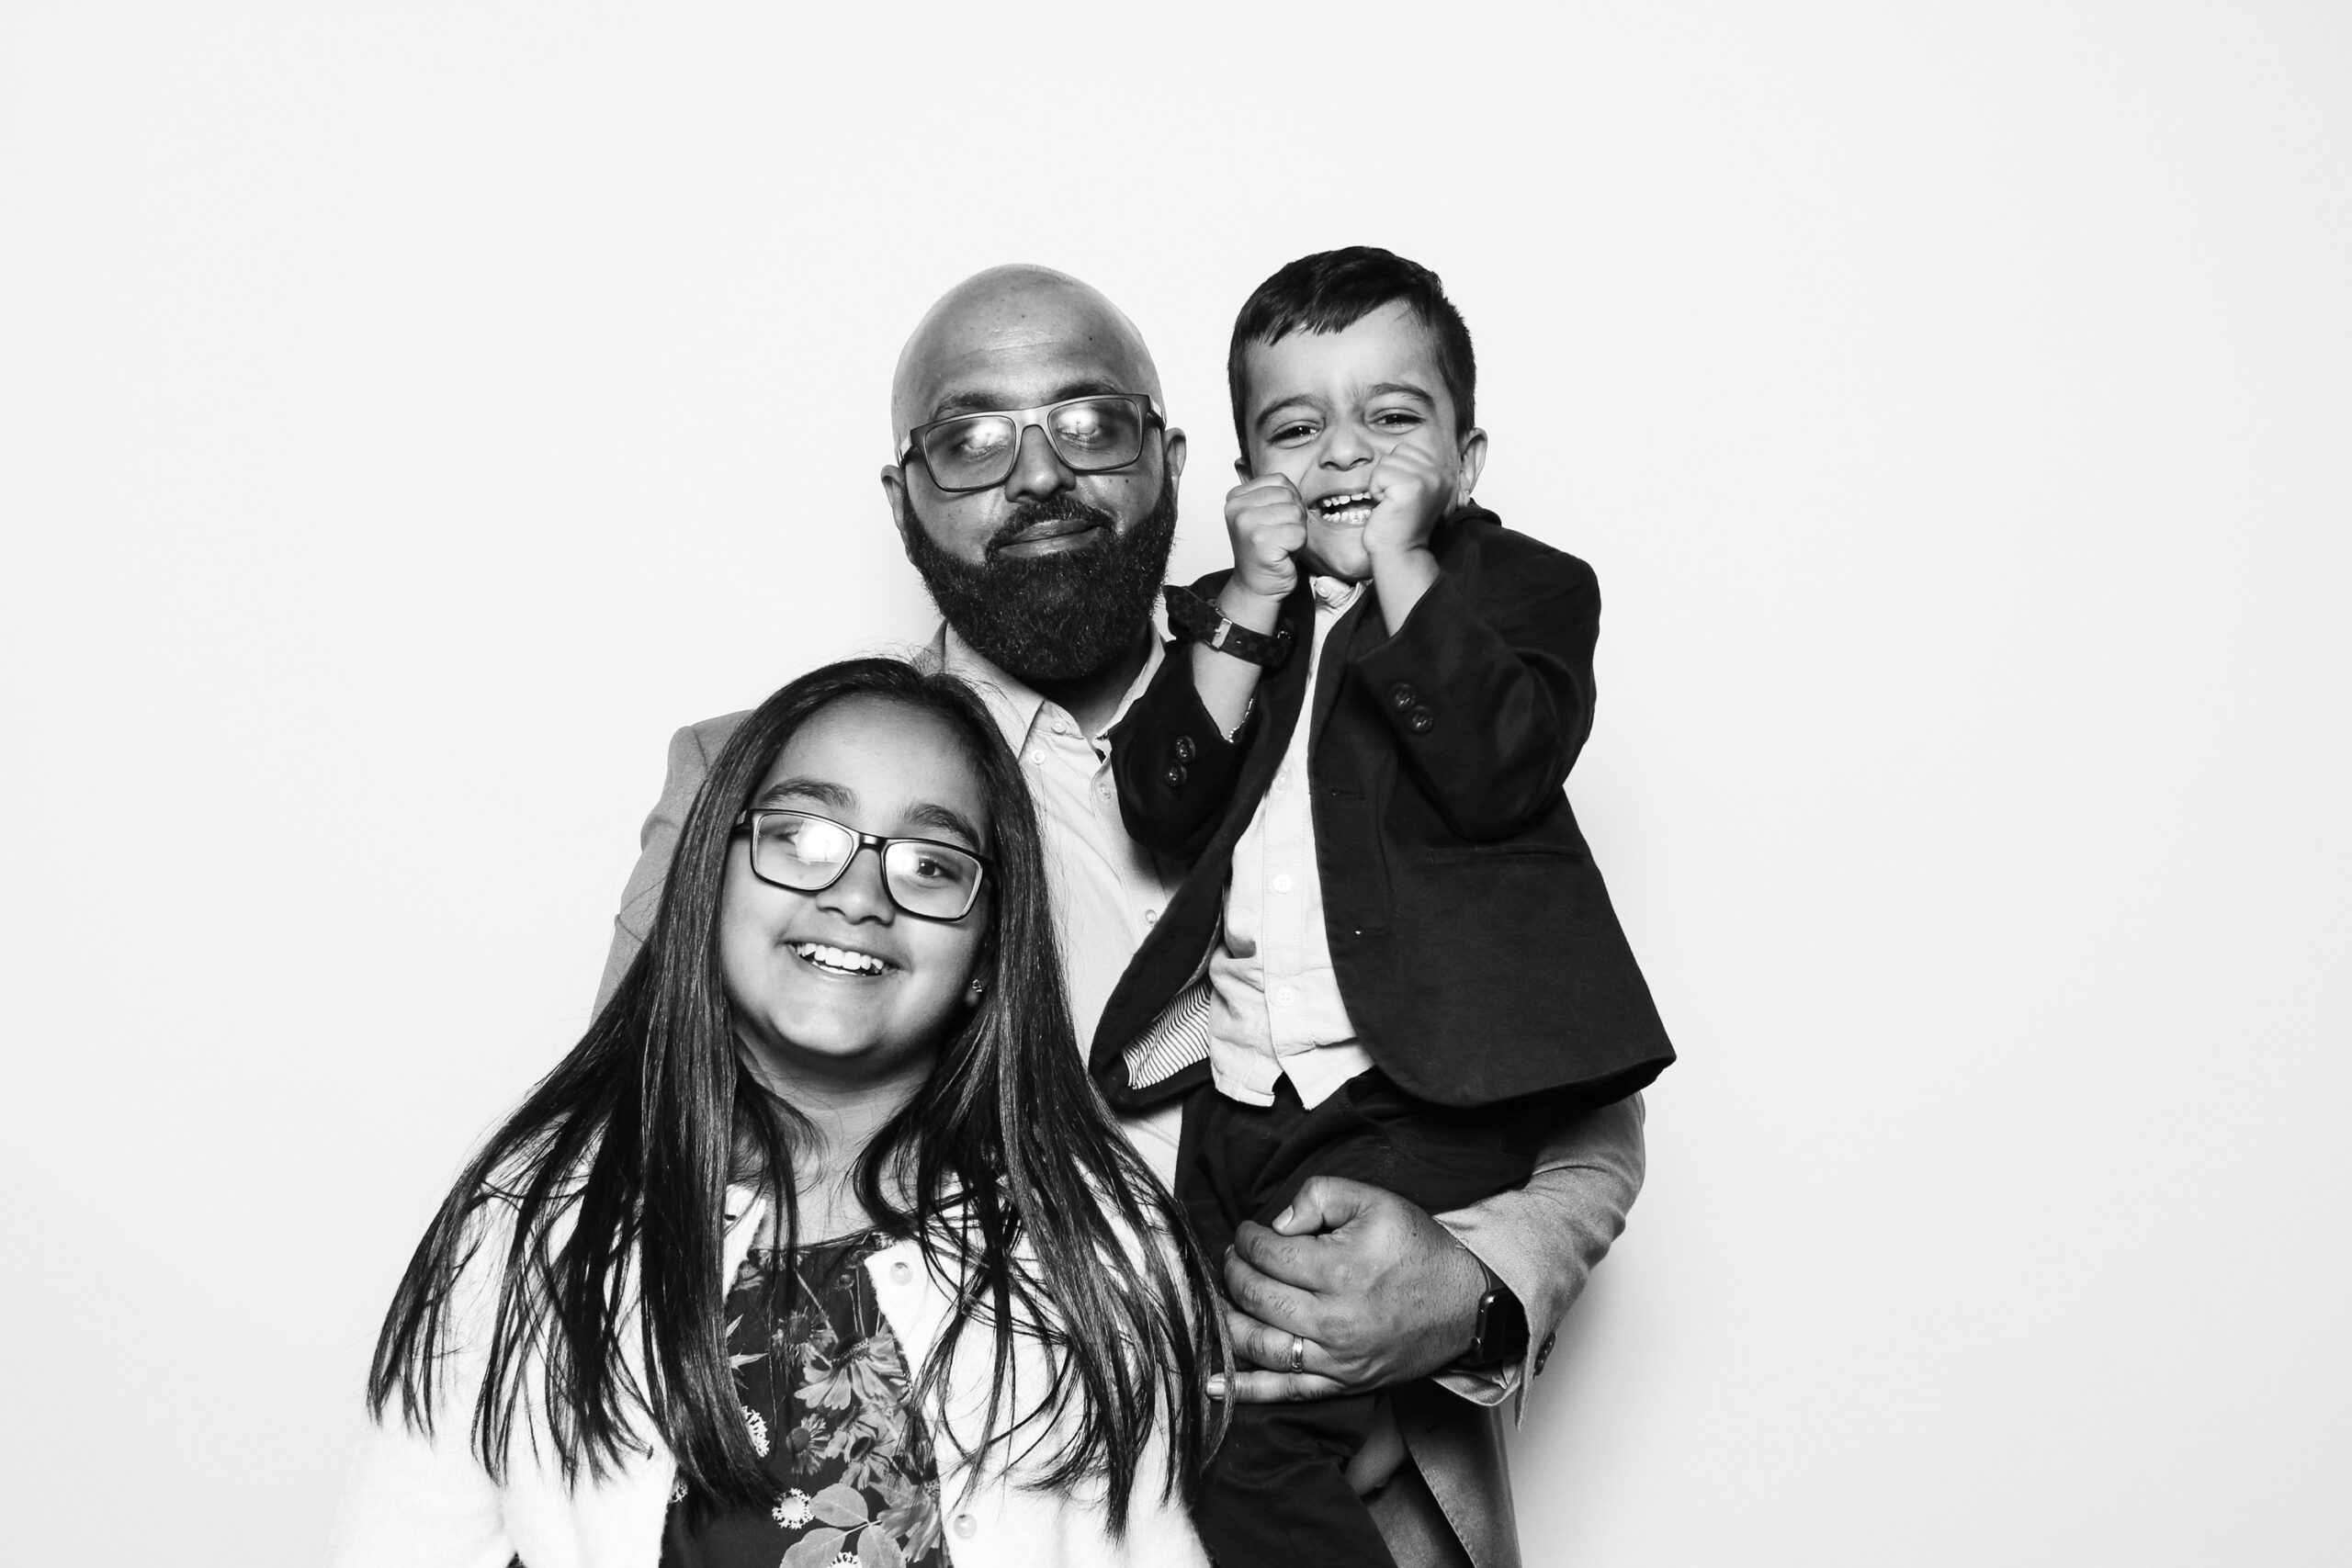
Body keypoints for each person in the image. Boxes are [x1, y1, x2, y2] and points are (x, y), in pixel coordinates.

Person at [598, 265, 1651, 1568]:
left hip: (1354, 1502)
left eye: (1090, 423)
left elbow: (1558, 1050)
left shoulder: (1387, 671)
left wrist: (1473, 1288)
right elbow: (623, 1171)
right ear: (902, 493)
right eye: (973, 439)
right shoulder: (762, 788)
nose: (1039, 473)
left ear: (1178, 458)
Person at [330, 659, 1223, 1568]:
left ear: (988, 950)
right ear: (710, 879)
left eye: (930, 864)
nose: (858, 896)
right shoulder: (534, 1218)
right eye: (801, 837)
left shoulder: (1094, 1238)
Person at [1099, 247, 1673, 1564]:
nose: (1344, 451)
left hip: (1409, 1091)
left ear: (1468, 458)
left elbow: (1495, 767)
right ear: (1245, 471)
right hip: (1241, 1094)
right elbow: (1159, 800)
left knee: (1264, 1429)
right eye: (1295, 427)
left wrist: (1404, 564)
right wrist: (1251, 599)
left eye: (1392, 415)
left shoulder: (1524, 590)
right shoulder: (1234, 617)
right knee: (1194, 1407)